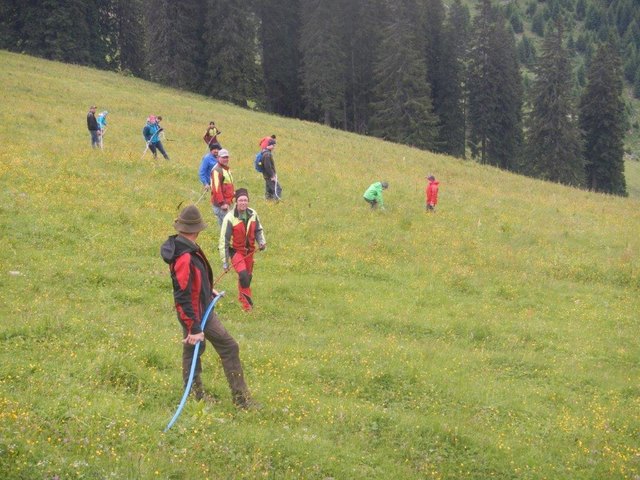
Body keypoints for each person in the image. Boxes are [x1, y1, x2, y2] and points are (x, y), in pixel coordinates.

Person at [160, 204, 254, 407]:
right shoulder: (184, 256)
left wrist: (206, 289)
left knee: (207, 349)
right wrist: (193, 328)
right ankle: (217, 399)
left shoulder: (186, 246)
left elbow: (195, 279)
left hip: (202, 307)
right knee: (209, 348)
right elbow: (182, 295)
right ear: (197, 229)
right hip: (195, 314)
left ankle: (228, 398)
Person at [219, 189, 266, 312]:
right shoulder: (229, 218)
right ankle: (247, 306)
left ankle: (241, 297)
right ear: (236, 201)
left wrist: (261, 242)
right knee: (244, 276)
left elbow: (258, 230)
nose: (243, 203)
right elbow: (224, 240)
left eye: (245, 200)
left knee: (248, 277)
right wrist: (225, 262)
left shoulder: (253, 214)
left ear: (248, 201)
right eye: (241, 200)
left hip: (249, 251)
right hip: (236, 251)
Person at [210, 148, 235, 225]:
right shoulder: (217, 170)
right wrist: (222, 203)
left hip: (227, 202)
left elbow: (227, 185)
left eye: (227, 157)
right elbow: (216, 189)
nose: (225, 159)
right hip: (222, 205)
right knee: (228, 227)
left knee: (224, 228)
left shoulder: (225, 168)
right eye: (223, 157)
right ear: (218, 158)